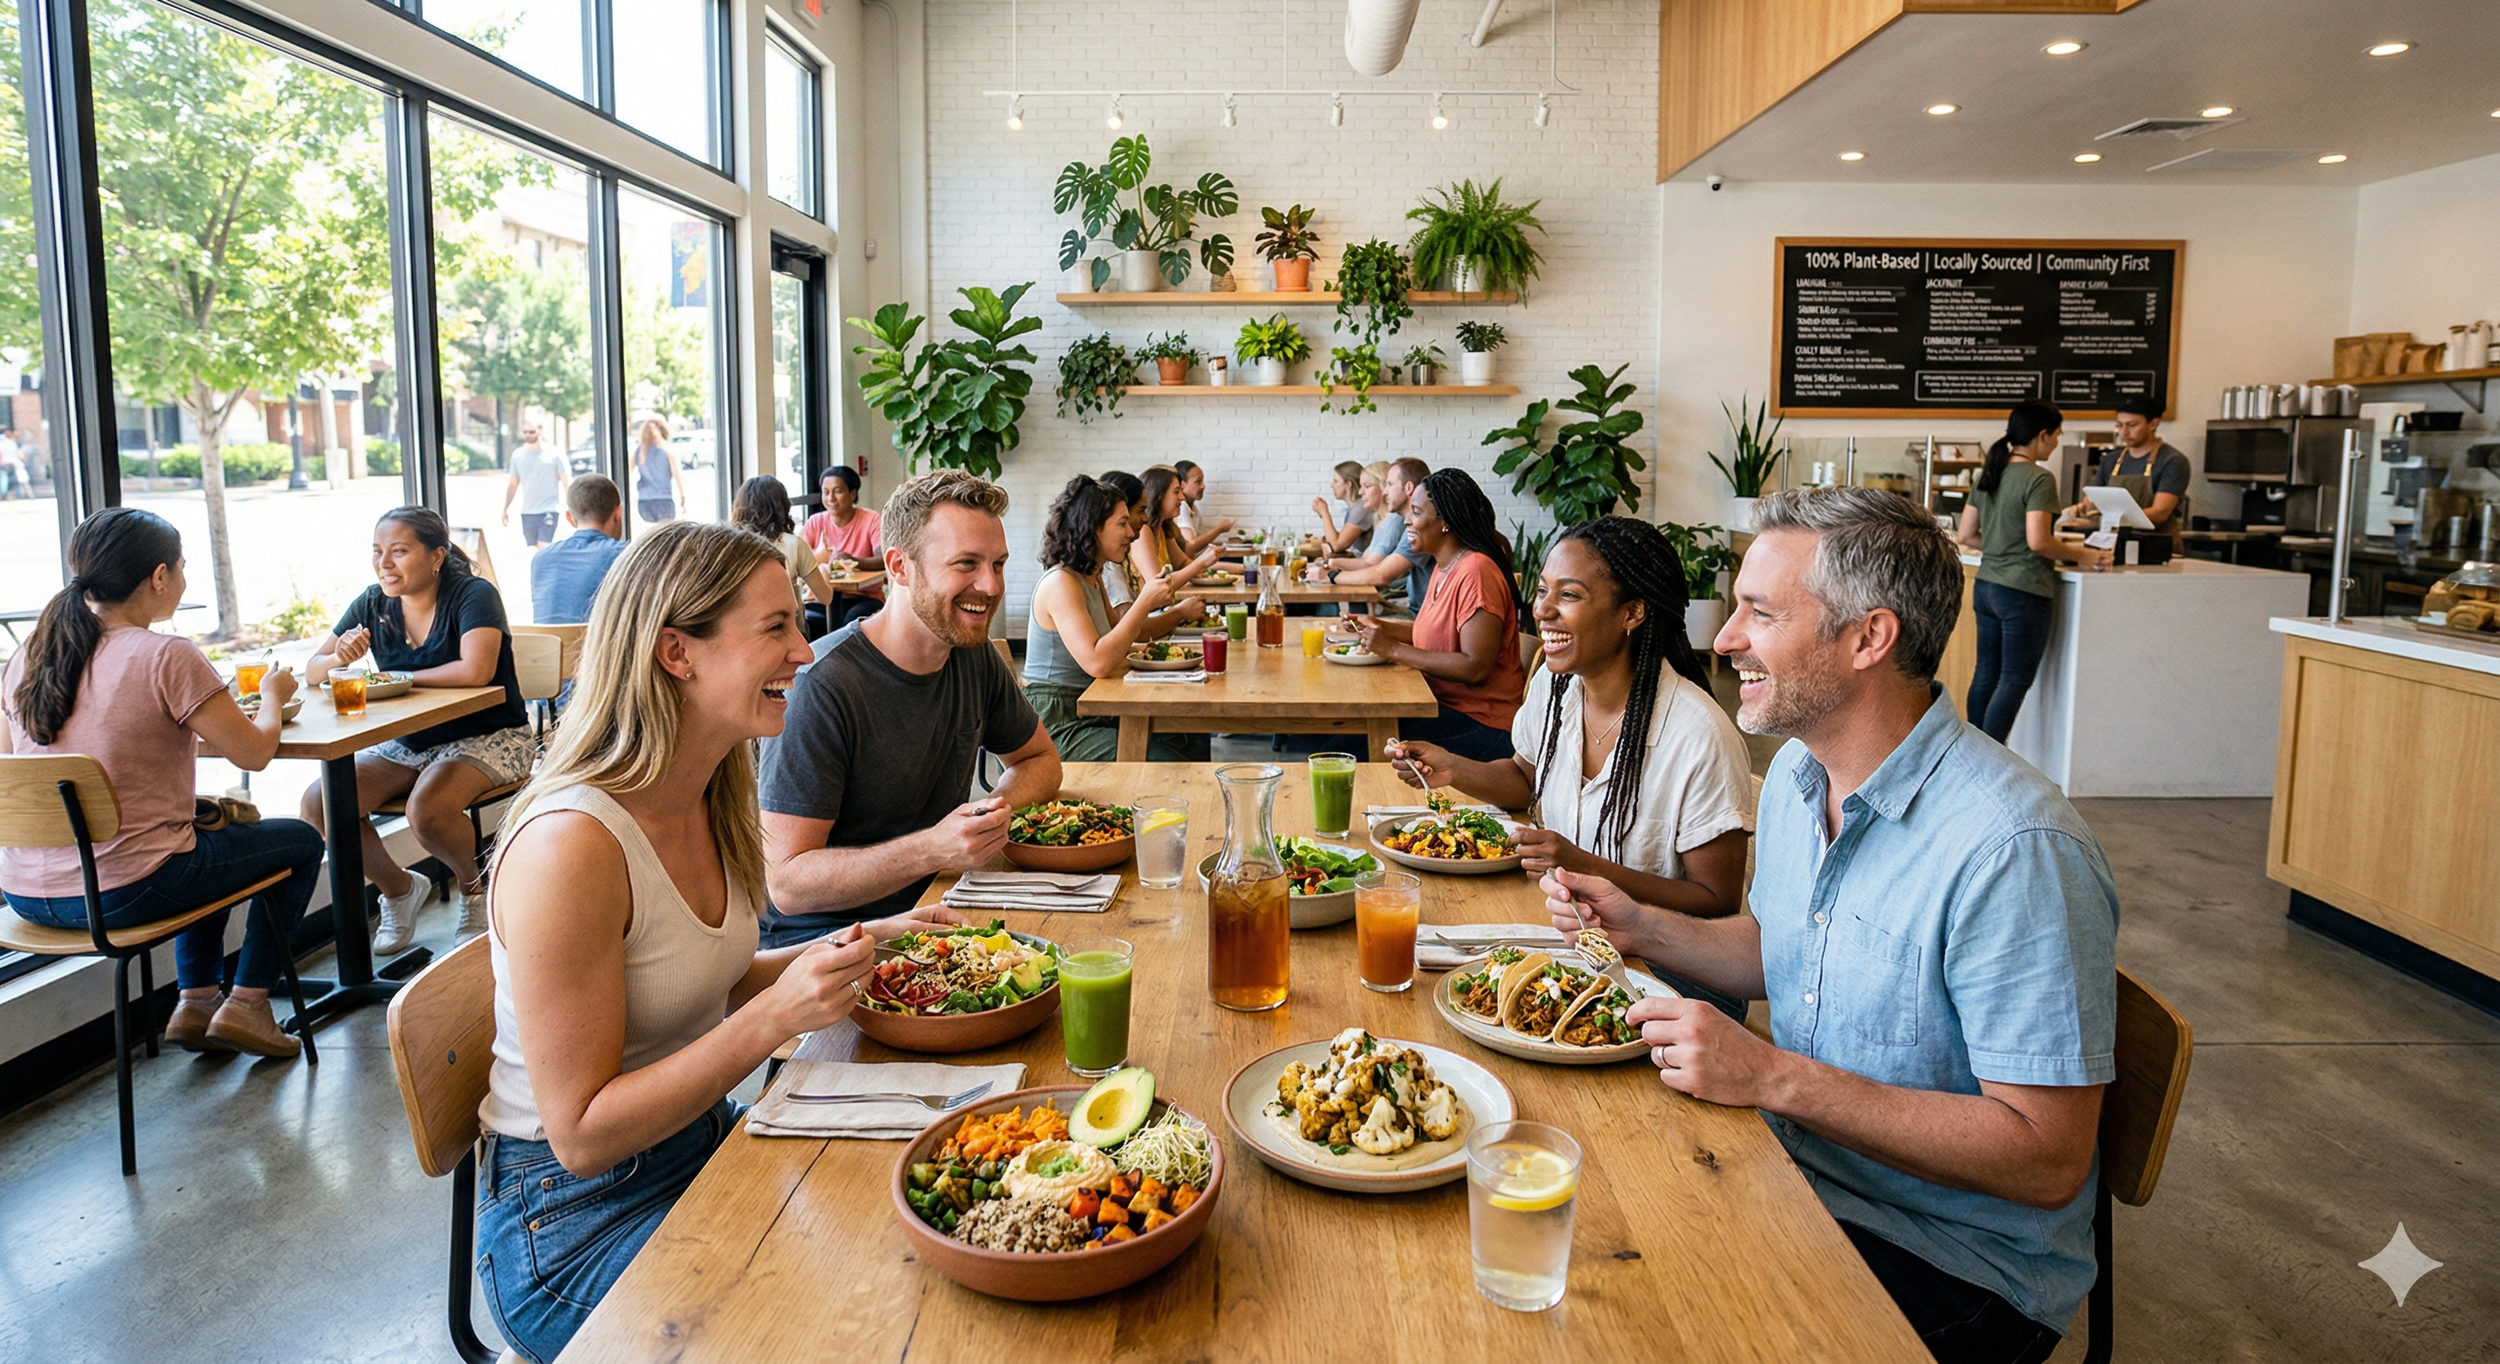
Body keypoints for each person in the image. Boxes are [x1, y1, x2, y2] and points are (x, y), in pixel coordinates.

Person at [1544, 486, 2117, 1364]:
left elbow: (2046, 1157)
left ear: (1868, 638)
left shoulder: (2015, 849)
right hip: (1796, 1178)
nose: (1725, 638)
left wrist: (1773, 1077)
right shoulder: (1803, 783)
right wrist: (1640, 925)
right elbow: (1784, 953)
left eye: (1758, 613)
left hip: (1955, 1265)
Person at [474, 520, 965, 1363]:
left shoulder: (712, 786)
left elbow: (703, 979)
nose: (805, 655)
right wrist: (777, 1017)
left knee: (929, 1250)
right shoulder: (571, 845)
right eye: (776, 628)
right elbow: (582, 1134)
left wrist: (859, 944)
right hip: (571, 1219)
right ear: (677, 652)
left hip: (699, 1142)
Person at [1387, 515, 1754, 1015]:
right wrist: (1451, 768)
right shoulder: (1556, 688)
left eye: (1570, 595)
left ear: (1633, 612)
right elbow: (1524, 778)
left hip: (1672, 981)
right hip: (1572, 946)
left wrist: (1582, 864)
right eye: (1542, 591)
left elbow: (1717, 901)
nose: (1543, 610)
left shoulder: (1698, 734)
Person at [1, 509, 324, 1058]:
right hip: (125, 893)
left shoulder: (28, 655)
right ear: (158, 578)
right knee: (299, 841)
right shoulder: (166, 655)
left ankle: (196, 1003)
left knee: (202, 835)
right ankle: (247, 1004)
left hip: (25, 896)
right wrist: (272, 697)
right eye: (181, 568)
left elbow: (16, 767)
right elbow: (254, 752)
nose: (182, 579)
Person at [757, 471, 1063, 947]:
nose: (990, 584)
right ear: (899, 567)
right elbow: (788, 884)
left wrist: (984, 819)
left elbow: (1039, 760)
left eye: (998, 564)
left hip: (941, 905)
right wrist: (932, 848)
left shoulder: (971, 653)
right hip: (825, 942)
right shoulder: (823, 686)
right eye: (965, 564)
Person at [302, 508, 533, 949]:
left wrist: (397, 678)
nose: (384, 563)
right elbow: (313, 671)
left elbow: (476, 671)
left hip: (490, 735)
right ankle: (400, 890)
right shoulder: (372, 602)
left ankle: (475, 890)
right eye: (377, 552)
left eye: (399, 551)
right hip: (412, 741)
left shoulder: (473, 594)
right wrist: (339, 660)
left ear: (436, 556)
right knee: (321, 803)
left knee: (427, 810)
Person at [1023, 476, 1211, 762]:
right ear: (1091, 527)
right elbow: (1098, 662)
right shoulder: (1061, 582)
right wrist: (1146, 600)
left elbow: (1122, 635)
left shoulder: (1091, 576)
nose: (1133, 534)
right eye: (1122, 524)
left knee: (1190, 734)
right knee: (1167, 762)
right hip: (1058, 723)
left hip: (1094, 705)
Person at [1348, 468, 1529, 761]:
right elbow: (1434, 635)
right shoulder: (1444, 565)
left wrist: (1392, 649)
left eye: (1416, 512)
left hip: (1483, 724)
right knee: (1342, 738)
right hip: (1440, 705)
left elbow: (1474, 667)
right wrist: (1379, 627)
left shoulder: (1476, 572)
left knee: (1345, 752)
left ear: (1444, 522)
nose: (1407, 519)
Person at [1956, 402, 2110, 744]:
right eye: (2056, 435)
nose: (2056, 442)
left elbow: (1966, 535)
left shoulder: (1988, 473)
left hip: (1987, 586)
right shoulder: (2039, 478)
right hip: (2023, 590)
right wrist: (2085, 555)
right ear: (2042, 436)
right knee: (2013, 678)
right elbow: (2039, 541)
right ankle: (1992, 758)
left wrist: (2000, 545)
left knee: (1986, 673)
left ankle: (1971, 754)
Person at [2062, 394, 2189, 543]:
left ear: (2153, 424)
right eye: (2119, 425)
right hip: (2114, 543)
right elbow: (2094, 501)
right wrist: (2082, 509)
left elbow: (2159, 513)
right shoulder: (2110, 460)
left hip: (2156, 547)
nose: (2124, 432)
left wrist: (2109, 520)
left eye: (2132, 425)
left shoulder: (2172, 461)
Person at [731, 477, 841, 630]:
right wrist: (825, 572)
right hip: (789, 632)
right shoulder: (794, 544)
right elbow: (825, 597)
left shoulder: (731, 545)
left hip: (744, 632)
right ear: (782, 506)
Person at [1329, 457, 1434, 613]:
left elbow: (1381, 574)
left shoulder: (1420, 525)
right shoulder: (1410, 521)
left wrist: (1333, 575)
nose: (1385, 492)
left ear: (1409, 488)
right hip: (1417, 611)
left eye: (1389, 485)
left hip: (1419, 616)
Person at [531, 474, 628, 626]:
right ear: (618, 513)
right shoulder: (626, 555)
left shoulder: (541, 559)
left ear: (569, 518)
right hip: (600, 649)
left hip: (550, 649)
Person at [799, 465, 883, 633]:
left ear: (853, 494)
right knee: (808, 624)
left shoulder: (872, 520)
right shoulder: (815, 522)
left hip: (862, 598)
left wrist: (854, 561)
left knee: (850, 626)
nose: (831, 498)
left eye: (837, 491)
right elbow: (798, 561)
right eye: (825, 492)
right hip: (820, 598)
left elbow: (883, 559)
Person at [1129, 464, 1221, 588]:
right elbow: (1158, 585)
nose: (1182, 498)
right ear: (1159, 495)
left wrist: (1206, 564)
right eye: (1176, 492)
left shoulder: (1163, 526)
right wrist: (1200, 563)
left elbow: (1182, 563)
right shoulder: (1143, 530)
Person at [500, 424, 570, 549]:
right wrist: (505, 508)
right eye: (525, 432)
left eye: (531, 432)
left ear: (540, 431)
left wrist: (573, 507)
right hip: (528, 512)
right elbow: (513, 484)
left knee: (543, 546)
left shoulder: (555, 454)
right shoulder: (517, 455)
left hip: (549, 509)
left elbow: (566, 483)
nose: (528, 435)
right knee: (535, 549)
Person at [1096, 470, 1147, 609]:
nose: (1146, 518)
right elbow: (1124, 620)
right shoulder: (1107, 565)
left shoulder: (1098, 570)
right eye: (1123, 523)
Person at [1311, 460, 1375, 553]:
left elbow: (1335, 546)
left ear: (1349, 484)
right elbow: (1341, 541)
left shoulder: (1361, 509)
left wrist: (1325, 513)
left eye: (1336, 481)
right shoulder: (1356, 507)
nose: (1332, 485)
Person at [1171, 459, 1234, 553]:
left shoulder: (1194, 509)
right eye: (1198, 481)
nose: (1203, 486)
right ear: (1182, 485)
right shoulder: (1181, 507)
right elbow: (1190, 547)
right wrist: (1219, 529)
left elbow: (1201, 543)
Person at [633, 418, 687, 525]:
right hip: (664, 499)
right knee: (666, 537)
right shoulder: (667, 448)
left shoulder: (639, 451)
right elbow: (677, 474)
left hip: (644, 500)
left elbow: (627, 471)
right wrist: (682, 495)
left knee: (651, 534)